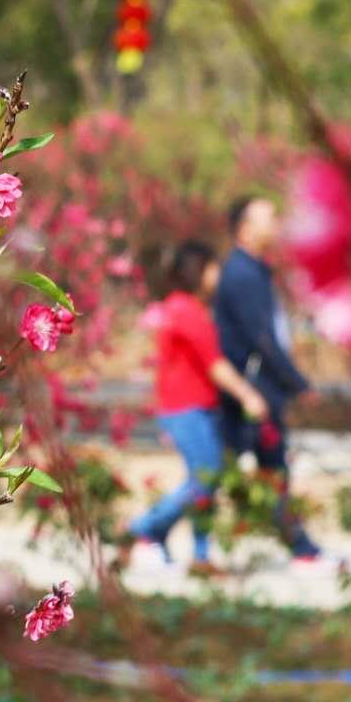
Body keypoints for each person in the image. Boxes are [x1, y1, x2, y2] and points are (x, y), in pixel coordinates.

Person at [128, 240, 268, 566]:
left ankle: (198, 554)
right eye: (213, 267)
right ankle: (145, 528)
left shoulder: (184, 308)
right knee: (206, 477)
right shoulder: (185, 310)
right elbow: (215, 364)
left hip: (194, 407)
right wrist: (248, 395)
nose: (218, 274)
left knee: (206, 478)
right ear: (199, 271)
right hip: (185, 408)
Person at [214, 196, 321, 560]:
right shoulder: (242, 273)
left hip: (260, 384)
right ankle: (297, 545)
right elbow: (261, 337)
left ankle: (293, 541)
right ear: (244, 229)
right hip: (252, 387)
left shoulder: (255, 270)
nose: (277, 223)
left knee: (261, 466)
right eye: (269, 217)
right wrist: (297, 382)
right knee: (262, 465)